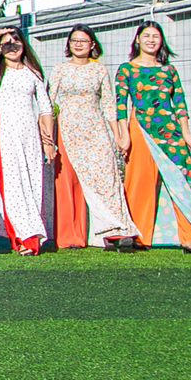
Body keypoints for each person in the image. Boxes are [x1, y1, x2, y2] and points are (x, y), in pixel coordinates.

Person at [116, 21, 191, 253]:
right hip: (141, 128)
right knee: (139, 180)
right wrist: (123, 135)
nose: (151, 40)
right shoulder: (127, 69)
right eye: (146, 35)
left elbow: (179, 102)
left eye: (156, 36)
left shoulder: (169, 71)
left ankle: (189, 236)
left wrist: (187, 132)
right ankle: (137, 234)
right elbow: (120, 104)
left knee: (182, 178)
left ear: (161, 41)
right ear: (137, 39)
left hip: (171, 131)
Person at [46, 25, 134, 250]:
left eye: (83, 41)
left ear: (92, 44)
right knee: (68, 183)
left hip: (96, 131)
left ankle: (113, 231)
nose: (78, 44)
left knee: (106, 178)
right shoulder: (60, 70)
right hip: (67, 132)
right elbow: (48, 103)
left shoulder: (99, 70)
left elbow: (109, 104)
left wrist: (118, 135)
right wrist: (47, 136)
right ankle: (70, 236)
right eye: (74, 40)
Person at [0, 28, 56, 255]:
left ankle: (33, 230)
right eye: (6, 44)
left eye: (16, 42)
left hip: (30, 135)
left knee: (32, 182)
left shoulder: (33, 74)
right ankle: (24, 237)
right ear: (0, 49)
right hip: (6, 133)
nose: (12, 47)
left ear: (24, 46)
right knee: (12, 184)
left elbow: (45, 108)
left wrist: (48, 141)